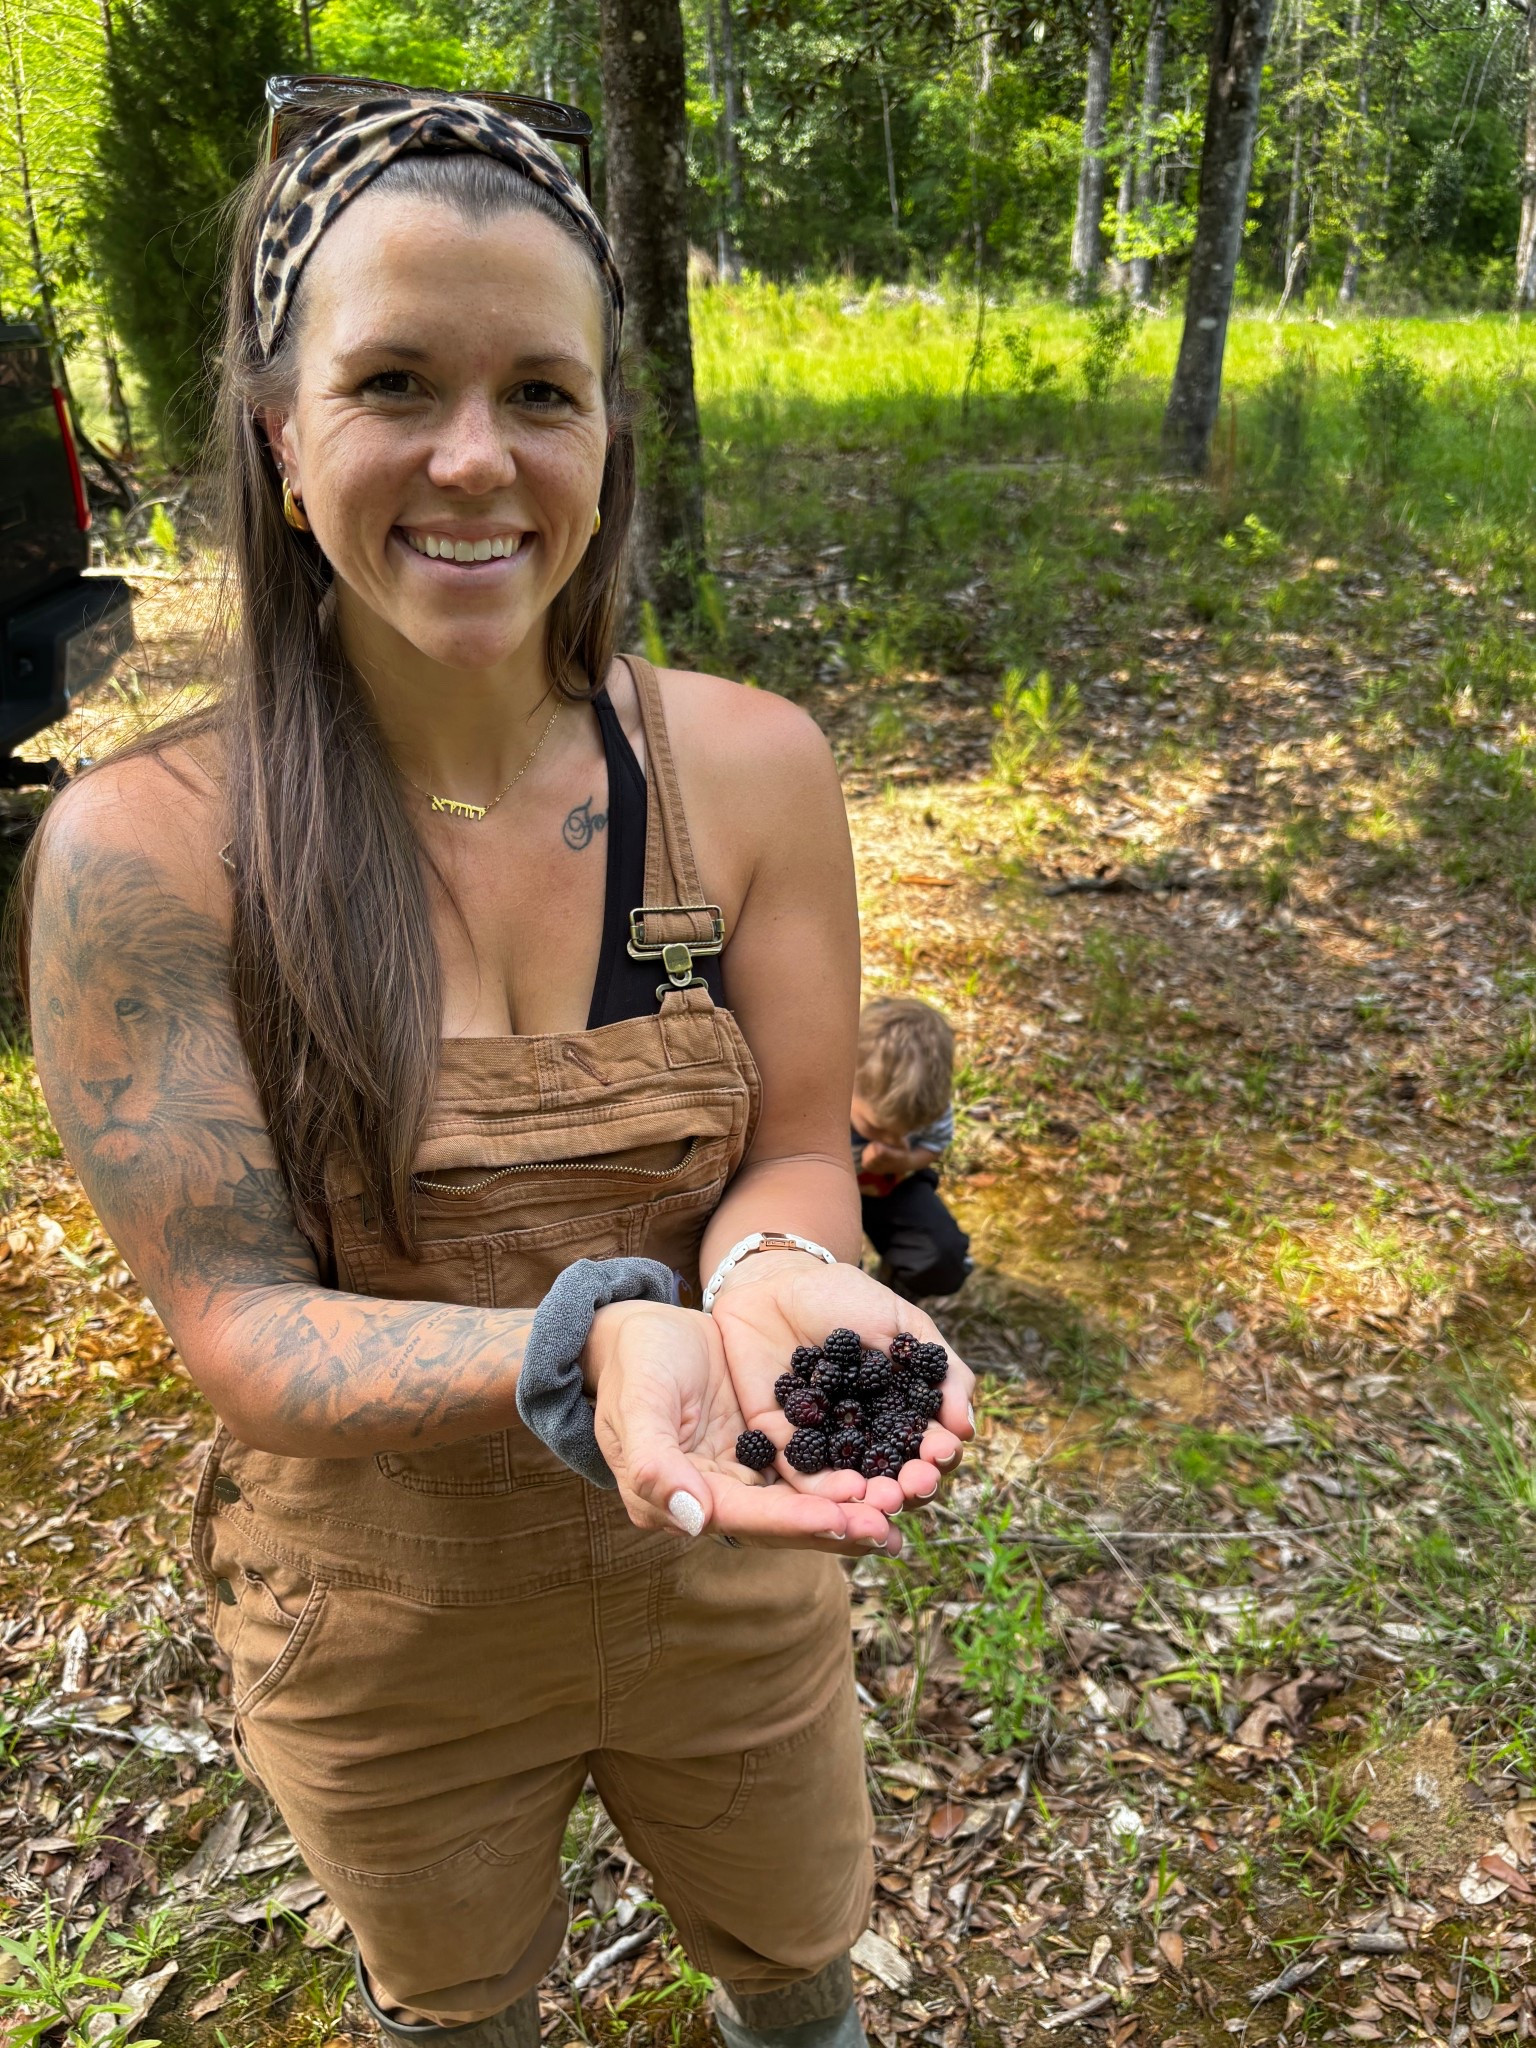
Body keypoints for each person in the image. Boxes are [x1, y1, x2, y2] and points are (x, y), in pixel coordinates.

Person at [19, 80, 975, 2048]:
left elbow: (800, 1145)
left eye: (543, 391)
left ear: (607, 440)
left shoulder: (746, 772)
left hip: (739, 1556)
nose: (478, 458)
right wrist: (595, 1336)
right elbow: (234, 1318)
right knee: (453, 2018)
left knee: (802, 1985)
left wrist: (785, 1275)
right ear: (286, 443)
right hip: (386, 1623)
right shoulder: (148, 849)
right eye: (395, 383)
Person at [851, 999, 972, 1304]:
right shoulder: (822, 1097)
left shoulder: (930, 1103)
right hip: (819, 1189)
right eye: (877, 1128)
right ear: (844, 1079)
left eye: (909, 1131)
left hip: (893, 1186)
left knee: (941, 1258)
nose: (893, 1140)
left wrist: (905, 1161)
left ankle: (896, 1293)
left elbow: (934, 1147)